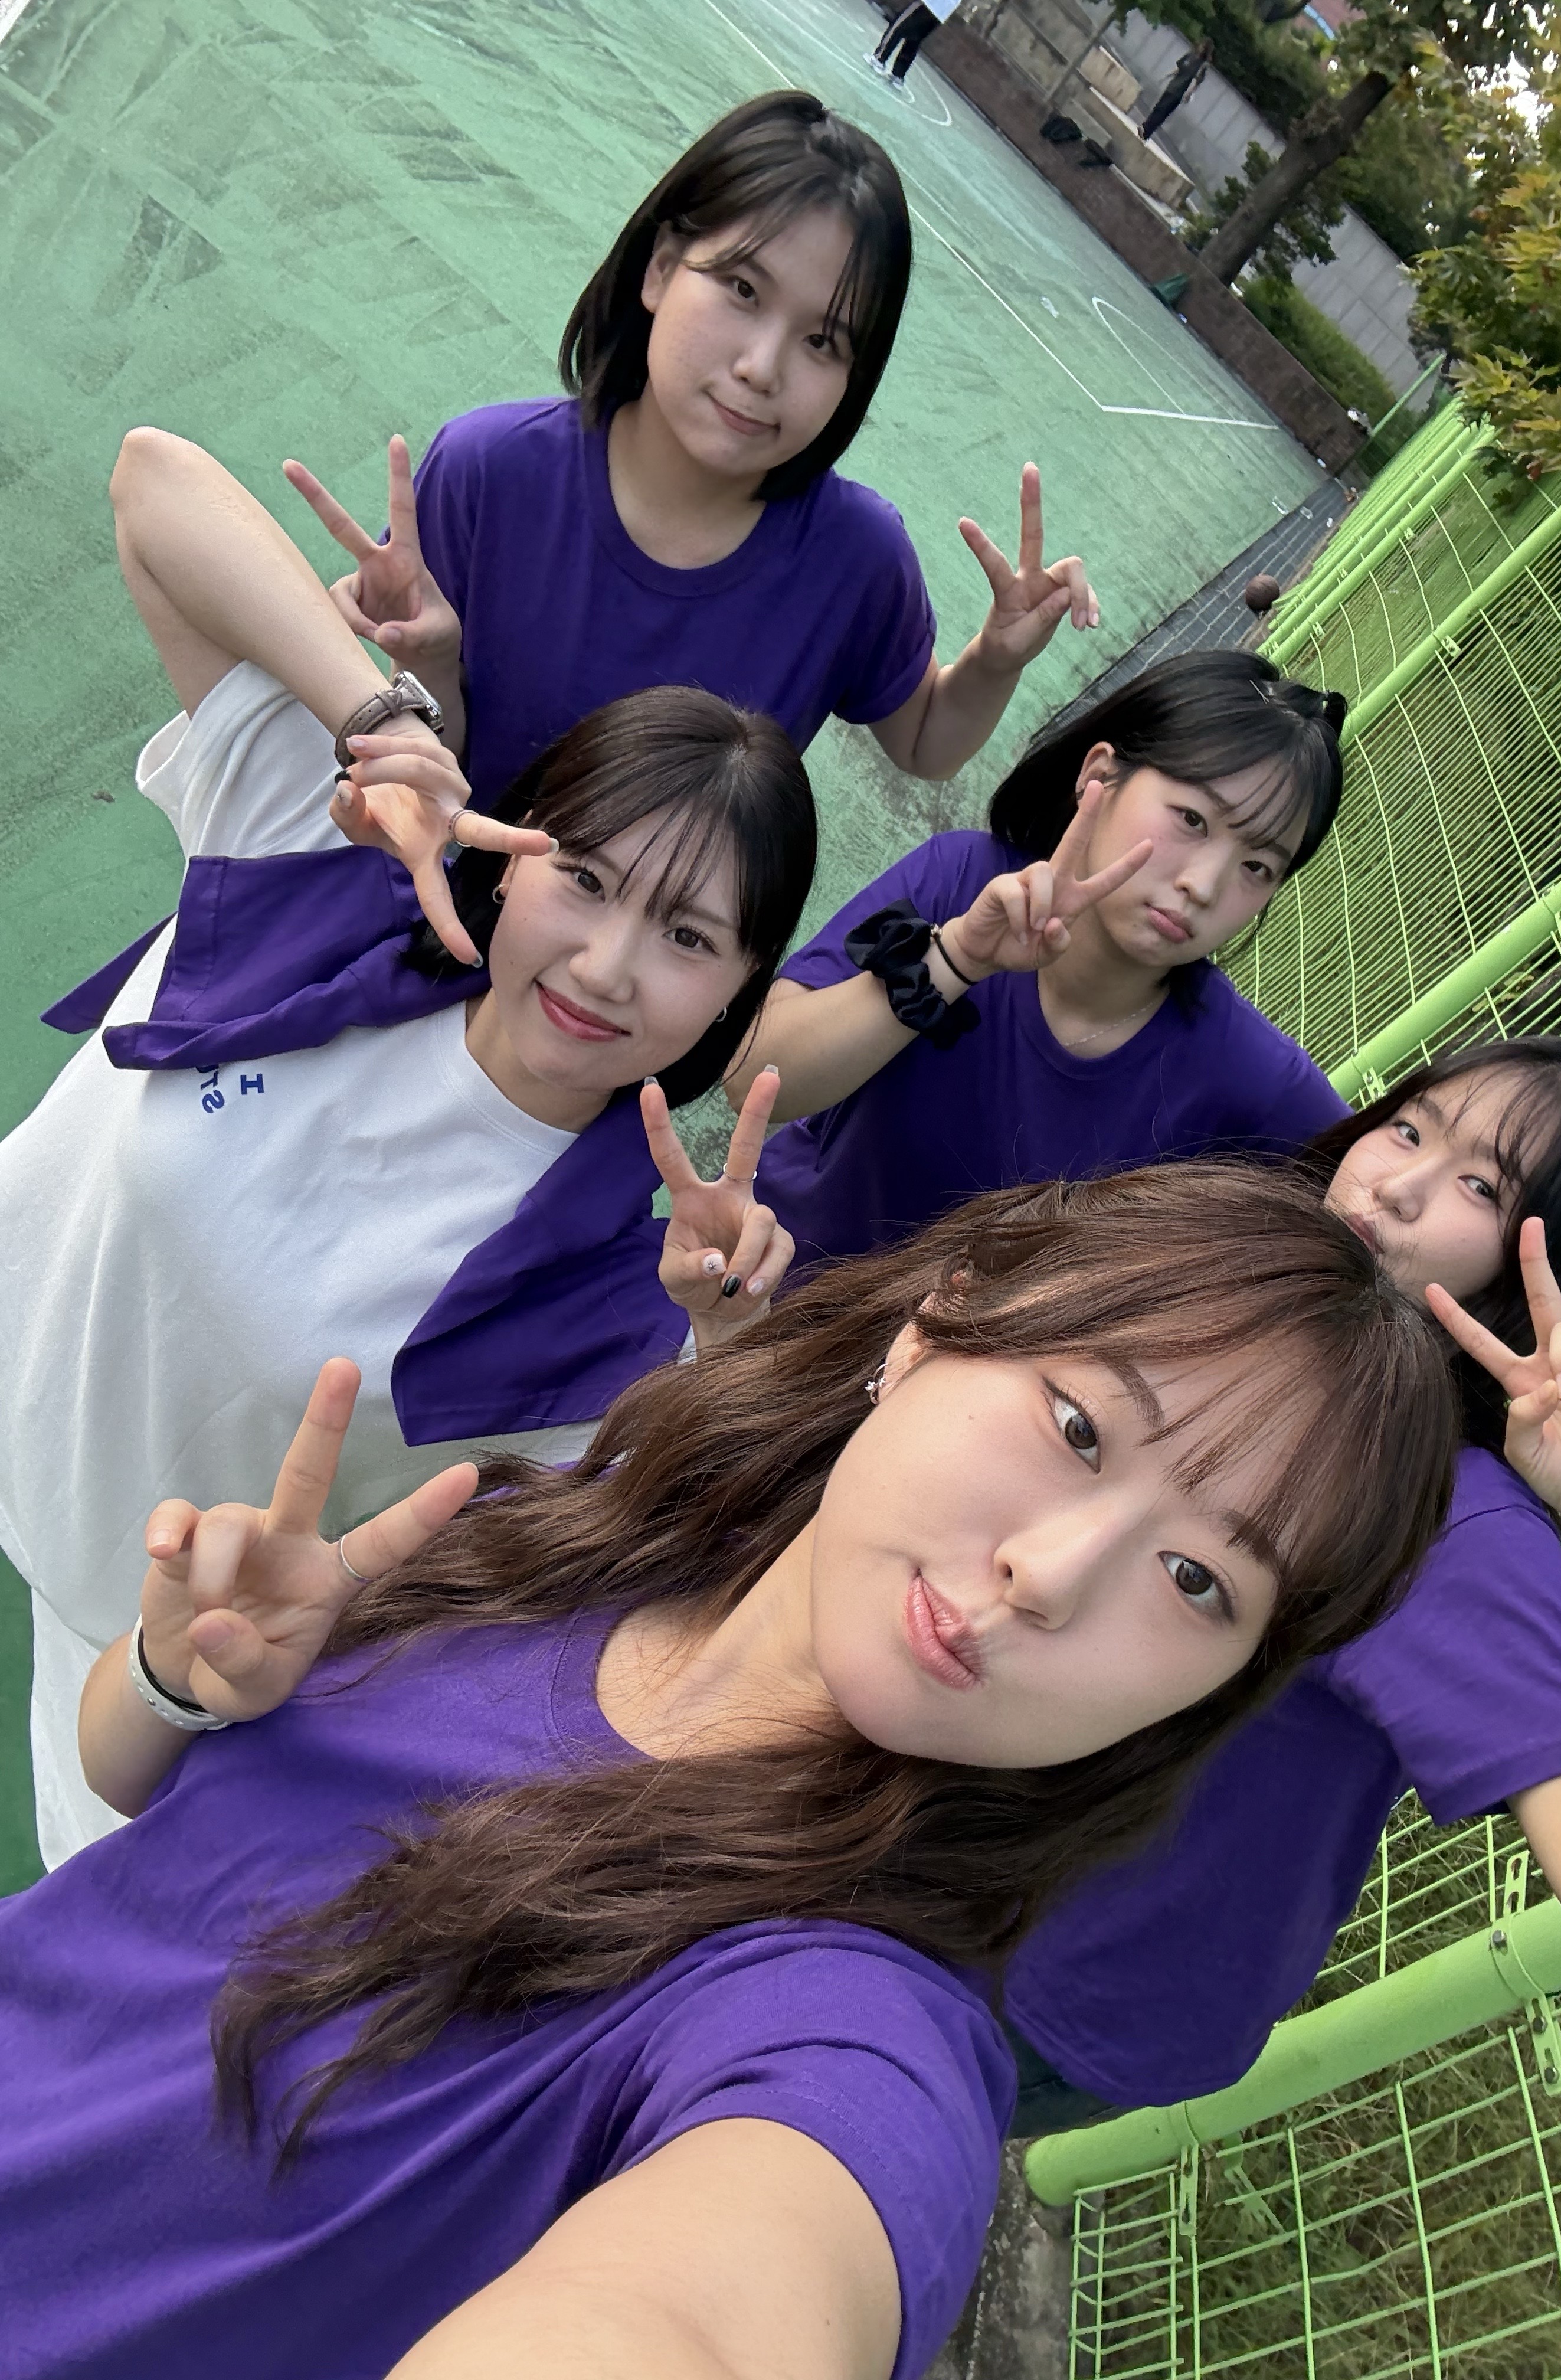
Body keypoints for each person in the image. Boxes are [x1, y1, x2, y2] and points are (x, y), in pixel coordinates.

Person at [0, 1161, 1460, 2379]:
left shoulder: (847, 2029)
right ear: (933, 1332)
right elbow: (139, 1813)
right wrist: (177, 1680)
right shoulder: (582, 1531)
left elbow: (705, 2311)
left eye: (1200, 1582)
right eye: (1079, 1427)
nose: (1053, 1574)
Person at [0, 427, 814, 1870]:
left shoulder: (599, 1302)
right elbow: (153, 480)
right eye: (585, 878)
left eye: (689, 938)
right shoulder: (323, 875)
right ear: (510, 848)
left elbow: (671, 1555)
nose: (610, 965)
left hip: (116, 1665)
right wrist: (388, 716)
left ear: (738, 995)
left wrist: (725, 1342)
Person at [998, 1038, 1561, 2135]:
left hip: (1055, 1987)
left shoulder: (1441, 1516)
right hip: (957, 1840)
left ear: (1538, 1262)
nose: (1396, 1185)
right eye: (1407, 1128)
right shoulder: (1234, 1295)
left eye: (1480, 1189)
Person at [283, 90, 1099, 810]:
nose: (762, 367)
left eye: (823, 341)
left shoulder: (857, 561)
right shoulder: (487, 472)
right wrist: (431, 662)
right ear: (662, 267)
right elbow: (432, 776)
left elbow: (924, 741)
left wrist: (995, 660)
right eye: (743, 290)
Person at [735, 650, 1349, 1275]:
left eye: (1258, 866)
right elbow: (754, 1076)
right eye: (1193, 819)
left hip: (938, 1344)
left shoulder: (1247, 1075)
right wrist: (956, 958)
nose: (1206, 884)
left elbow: (1370, 1209)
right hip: (760, 1289)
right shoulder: (961, 879)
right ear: (1099, 776)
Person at [867, 1, 961, 88]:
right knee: (915, 40)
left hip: (929, 3)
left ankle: (879, 59)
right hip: (942, 12)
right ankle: (898, 75)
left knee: (899, 27)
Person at [1139, 38, 1213, 146]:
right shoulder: (1190, 56)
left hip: (1180, 93)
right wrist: (1167, 76)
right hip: (1173, 86)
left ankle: (1146, 131)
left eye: (1204, 48)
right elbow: (1179, 69)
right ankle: (1145, 128)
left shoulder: (1202, 65)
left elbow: (1197, 82)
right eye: (1202, 46)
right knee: (1158, 107)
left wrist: (1189, 93)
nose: (1201, 48)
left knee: (1163, 112)